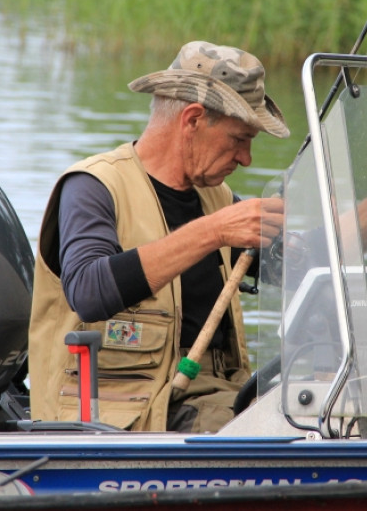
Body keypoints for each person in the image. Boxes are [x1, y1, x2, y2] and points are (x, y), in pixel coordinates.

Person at [28, 41, 291, 433]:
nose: (247, 158)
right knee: (255, 429)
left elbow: (304, 262)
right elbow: (87, 290)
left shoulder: (214, 198)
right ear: (193, 120)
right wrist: (215, 230)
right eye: (239, 139)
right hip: (124, 418)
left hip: (217, 399)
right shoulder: (94, 186)